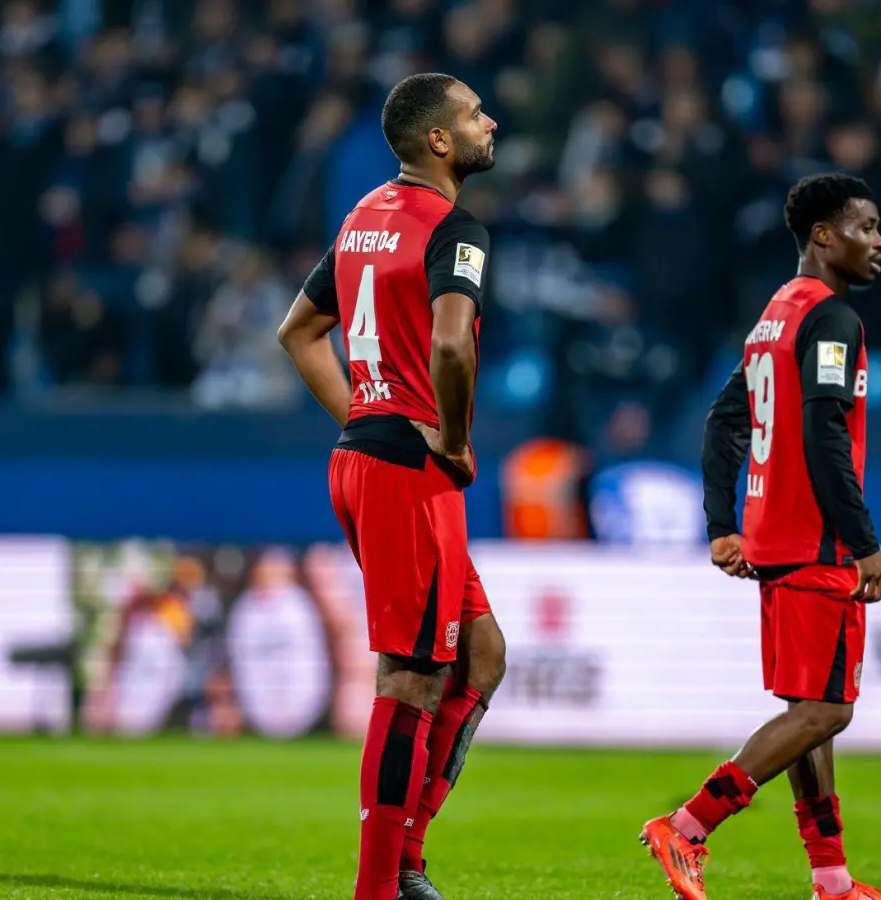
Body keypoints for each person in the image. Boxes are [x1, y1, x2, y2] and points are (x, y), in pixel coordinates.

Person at [276, 73, 509, 900]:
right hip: (409, 470)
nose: (491, 123)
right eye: (476, 114)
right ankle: (380, 885)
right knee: (409, 676)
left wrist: (363, 414)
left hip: (366, 456)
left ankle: (405, 855)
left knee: (481, 656)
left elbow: (298, 333)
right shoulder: (457, 228)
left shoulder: (362, 219)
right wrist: (449, 437)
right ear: (439, 141)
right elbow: (453, 345)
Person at [640, 173, 881, 900]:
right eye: (865, 227)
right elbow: (824, 432)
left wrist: (723, 525)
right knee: (827, 710)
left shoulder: (774, 316)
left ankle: (832, 879)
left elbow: (725, 422)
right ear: (822, 235)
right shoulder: (832, 319)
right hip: (816, 545)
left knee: (808, 715)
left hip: (772, 540)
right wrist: (864, 540)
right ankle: (687, 826)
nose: (878, 243)